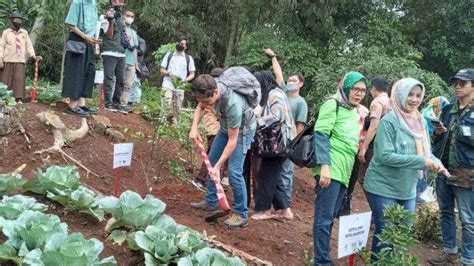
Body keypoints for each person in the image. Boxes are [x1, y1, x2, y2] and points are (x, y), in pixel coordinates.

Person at [363, 78, 449, 258]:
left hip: (407, 187)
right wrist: (422, 162)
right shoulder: (389, 120)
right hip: (382, 186)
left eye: (418, 95)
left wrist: (437, 163)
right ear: (400, 95)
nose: (414, 99)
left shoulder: (419, 120)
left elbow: (426, 152)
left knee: (402, 232)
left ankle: (393, 262)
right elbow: (384, 156)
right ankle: (379, 262)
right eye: (410, 94)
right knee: (386, 231)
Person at [312, 71, 368, 265]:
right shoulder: (332, 104)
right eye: (355, 89)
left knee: (330, 217)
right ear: (345, 88)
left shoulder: (354, 111)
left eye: (362, 90)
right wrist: (324, 167)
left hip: (344, 170)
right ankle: (321, 261)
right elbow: (321, 134)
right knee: (324, 217)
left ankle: (322, 257)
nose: (359, 93)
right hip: (331, 167)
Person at [189, 73, 256, 228]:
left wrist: (219, 166)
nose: (205, 104)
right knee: (210, 162)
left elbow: (233, 141)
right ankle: (211, 201)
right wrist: (194, 128)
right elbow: (200, 106)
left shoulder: (233, 104)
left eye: (207, 101)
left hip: (242, 132)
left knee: (234, 171)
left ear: (216, 92)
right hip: (226, 127)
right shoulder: (209, 88)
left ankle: (241, 214)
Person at [428, 68, 474, 266]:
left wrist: (464, 134)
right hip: (444, 168)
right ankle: (449, 252)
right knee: (445, 211)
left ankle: (468, 258)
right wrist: (438, 133)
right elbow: (439, 136)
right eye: (455, 82)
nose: (457, 86)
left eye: (462, 83)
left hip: (466, 172)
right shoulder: (448, 108)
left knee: (467, 219)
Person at [263, 48, 308, 206]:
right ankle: (277, 204)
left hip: (290, 140)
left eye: (294, 81)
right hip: (277, 139)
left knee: (286, 173)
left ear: (301, 84)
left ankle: (286, 204)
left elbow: (300, 125)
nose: (290, 82)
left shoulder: (301, 102)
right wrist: (273, 57)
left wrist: (296, 146)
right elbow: (278, 75)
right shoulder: (282, 93)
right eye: (289, 80)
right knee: (276, 171)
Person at [250, 70, 296, 221]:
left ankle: (264, 210)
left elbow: (279, 116)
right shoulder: (274, 93)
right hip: (280, 142)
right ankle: (284, 210)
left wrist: (259, 121)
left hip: (279, 142)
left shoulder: (275, 94)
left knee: (266, 175)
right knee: (272, 175)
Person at [192, 67, 224, 191]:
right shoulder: (208, 91)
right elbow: (202, 107)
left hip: (216, 126)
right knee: (213, 152)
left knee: (214, 152)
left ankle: (208, 180)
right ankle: (201, 179)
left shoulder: (213, 89)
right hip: (213, 128)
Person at [0, 11, 41, 103]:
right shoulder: (6, 32)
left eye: (19, 20)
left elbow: (29, 45)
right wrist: (0, 58)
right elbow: (1, 46)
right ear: (11, 20)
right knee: (6, 80)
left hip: (20, 60)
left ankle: (18, 98)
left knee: (18, 80)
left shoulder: (24, 33)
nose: (18, 21)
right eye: (16, 19)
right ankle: (4, 97)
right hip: (8, 59)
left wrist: (33, 56)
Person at [100, 0, 131, 114]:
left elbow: (121, 34)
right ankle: (108, 103)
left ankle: (117, 103)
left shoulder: (121, 18)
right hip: (109, 51)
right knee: (109, 78)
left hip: (121, 52)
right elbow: (108, 35)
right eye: (118, 0)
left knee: (121, 79)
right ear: (112, 1)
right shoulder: (106, 15)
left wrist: (126, 38)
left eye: (122, 0)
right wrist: (111, 20)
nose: (120, 2)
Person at [160, 36, 196, 122]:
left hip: (180, 85)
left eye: (183, 44)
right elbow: (161, 70)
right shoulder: (169, 55)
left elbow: (192, 73)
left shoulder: (188, 58)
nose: (181, 45)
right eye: (180, 43)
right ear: (177, 43)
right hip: (167, 83)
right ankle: (162, 121)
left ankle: (175, 123)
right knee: (165, 103)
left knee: (177, 106)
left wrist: (185, 80)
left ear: (186, 47)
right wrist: (168, 73)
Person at [121, 9, 138, 107]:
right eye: (128, 16)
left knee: (128, 85)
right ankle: (115, 102)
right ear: (123, 16)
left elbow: (135, 49)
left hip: (131, 62)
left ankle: (124, 103)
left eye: (132, 17)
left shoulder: (134, 33)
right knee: (119, 83)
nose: (130, 18)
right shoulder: (120, 30)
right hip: (122, 60)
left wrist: (136, 63)